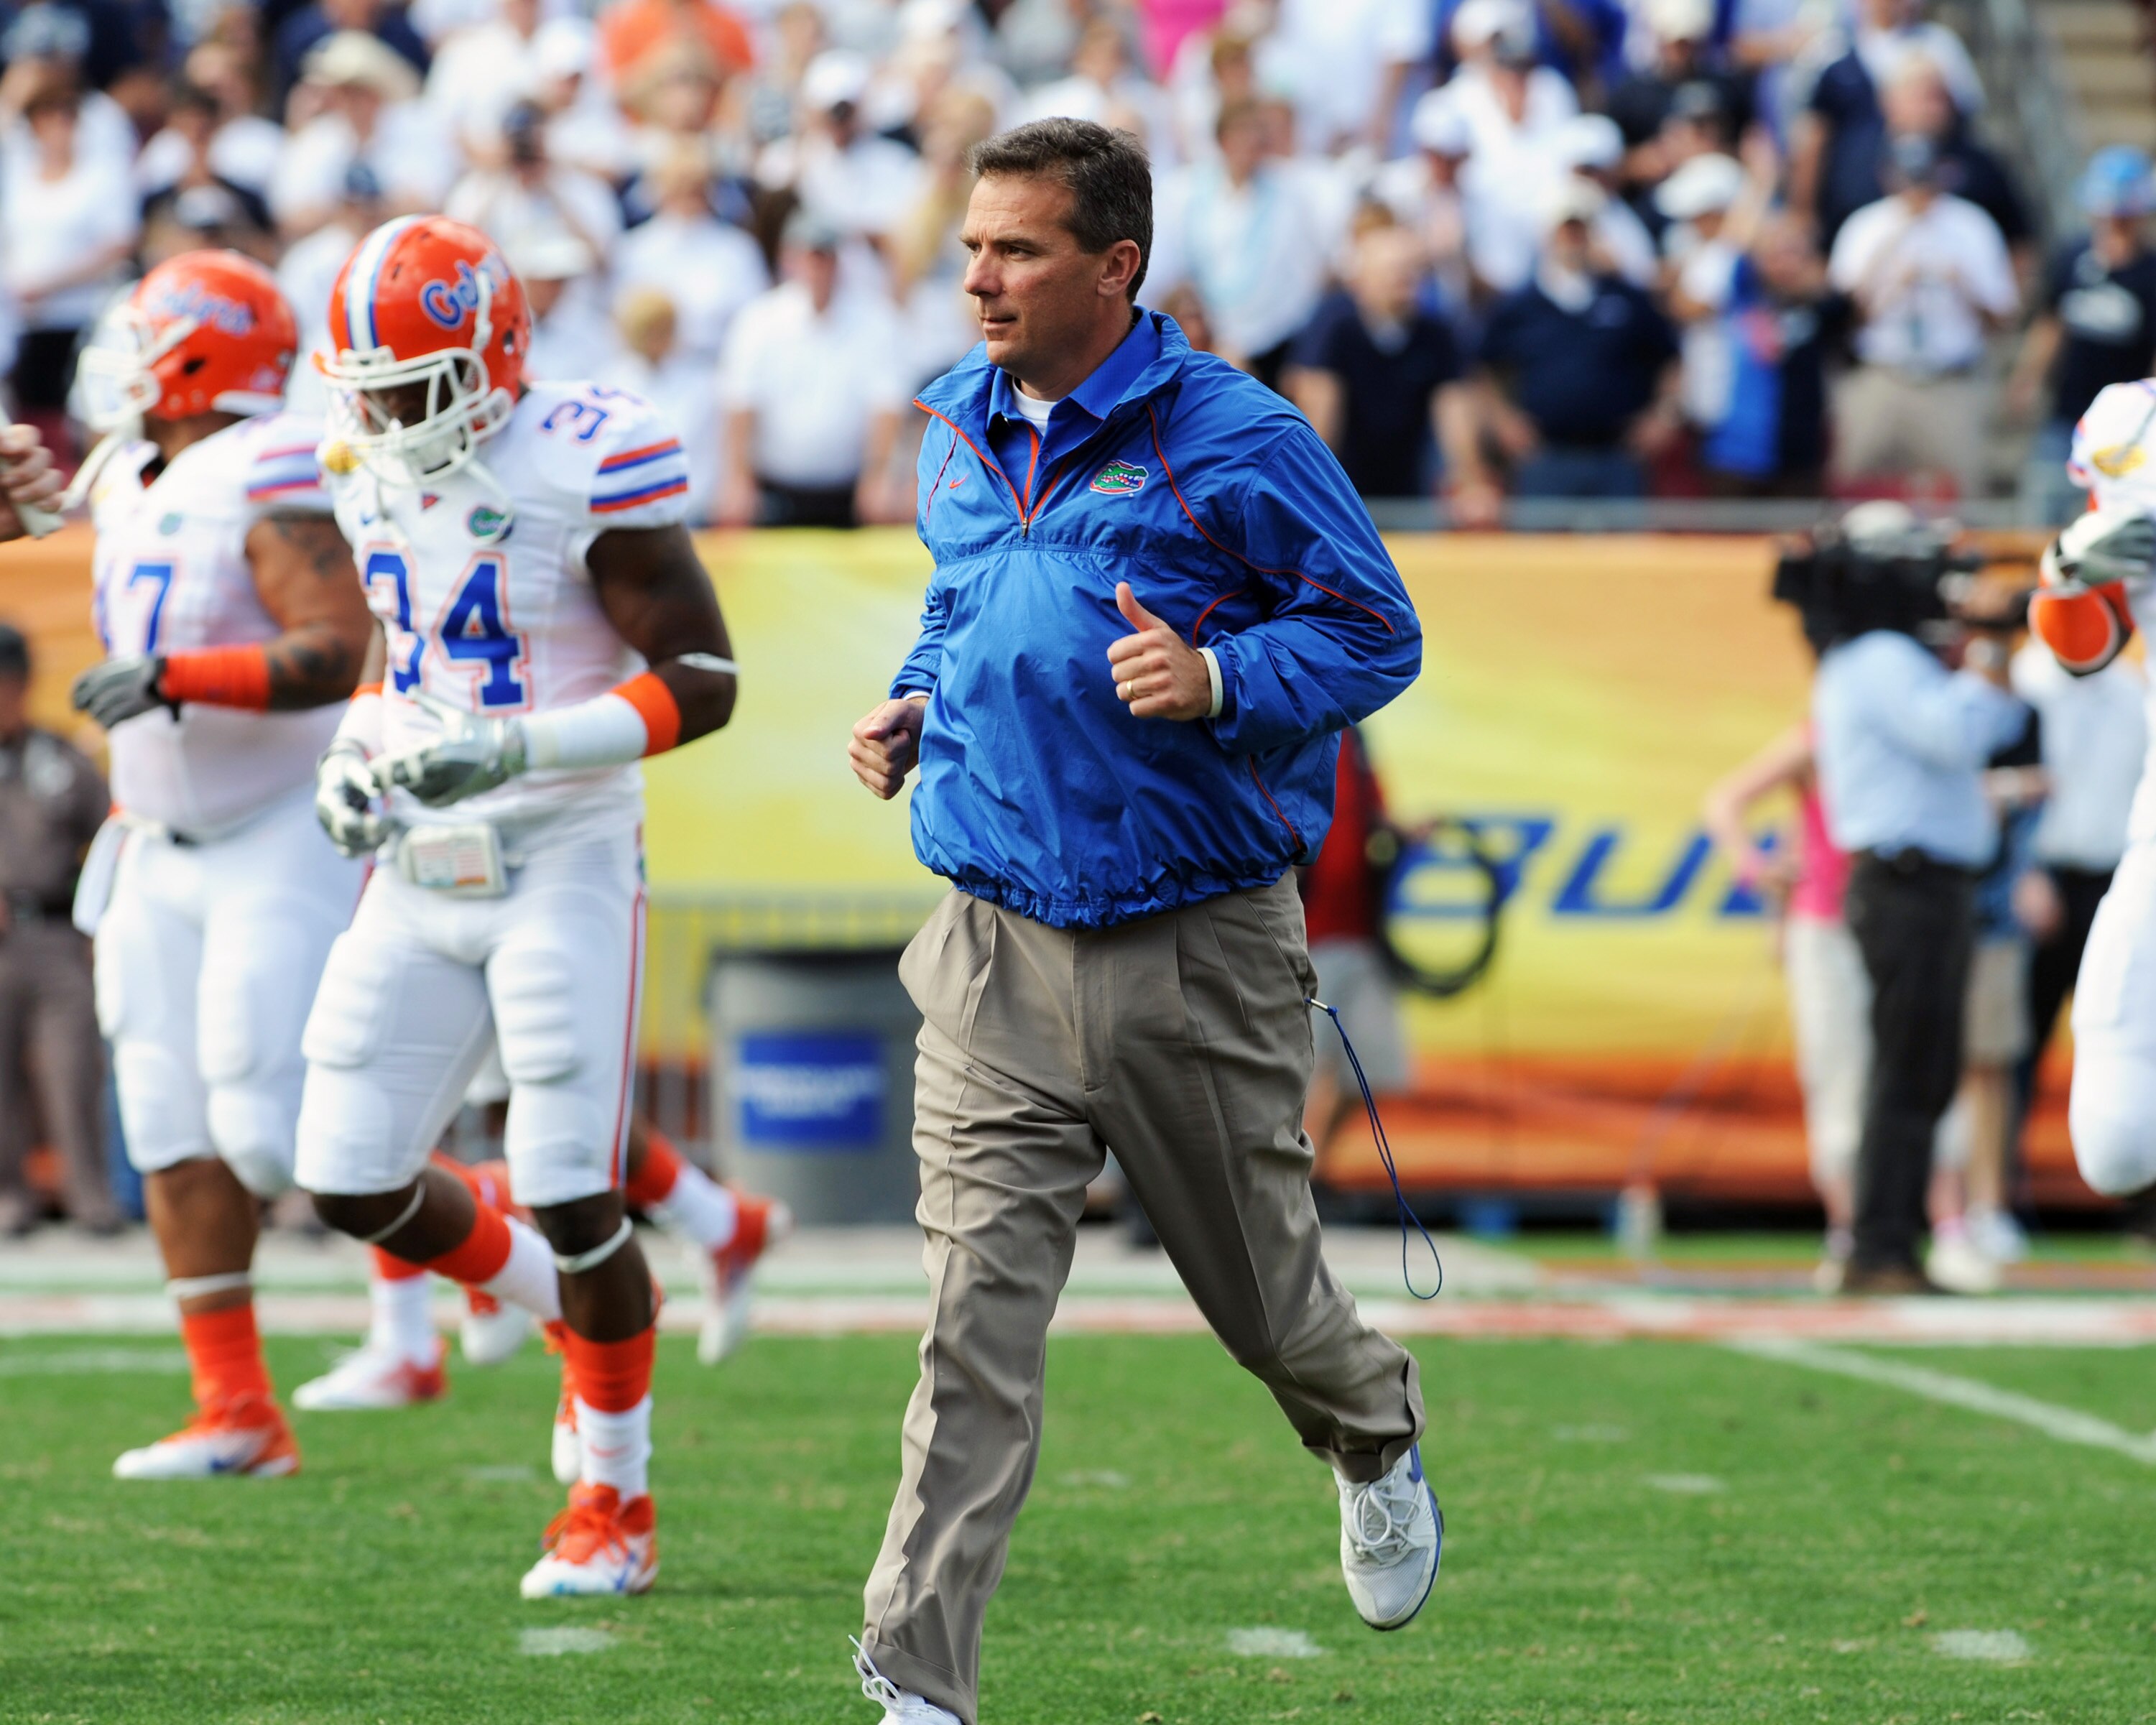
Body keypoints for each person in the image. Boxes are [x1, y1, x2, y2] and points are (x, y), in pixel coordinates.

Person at [845, 119, 1434, 1725]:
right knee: (971, 1326)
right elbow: (965, 600)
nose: (979, 279)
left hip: (1192, 938)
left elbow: (1380, 633)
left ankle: (1371, 1427)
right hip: (987, 934)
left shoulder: (1237, 434)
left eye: (1017, 250)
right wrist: (916, 699)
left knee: (1267, 1305)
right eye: (973, 246)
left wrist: (1229, 676)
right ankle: (918, 1684)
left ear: (1115, 267)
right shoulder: (954, 426)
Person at [292, 215, 739, 1598]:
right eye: (365, 387)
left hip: (562, 851)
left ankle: (616, 1497)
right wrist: (355, 756)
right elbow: (401, 647)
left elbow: (707, 677)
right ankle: (585, 1318)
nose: (384, 417)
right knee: (350, 1170)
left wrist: (521, 749)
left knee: (566, 1183)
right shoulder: (366, 465)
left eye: (412, 389)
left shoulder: (586, 454)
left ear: (491, 359)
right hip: (424, 854)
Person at [63, 252, 499, 1480]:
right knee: (164, 1121)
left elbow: (333, 644)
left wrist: (177, 678)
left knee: (273, 1134)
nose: (122, 361)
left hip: (272, 826)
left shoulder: (266, 465)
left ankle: (507, 1244)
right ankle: (236, 1411)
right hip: (153, 839)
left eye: (148, 337)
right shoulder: (130, 474)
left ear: (197, 352)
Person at [1808, 509, 2027, 1292]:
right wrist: (1995, 641)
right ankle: (1878, 1247)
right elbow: (1961, 734)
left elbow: (1997, 722)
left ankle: (1892, 1243)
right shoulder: (1881, 657)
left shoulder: (1890, 659)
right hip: (1905, 883)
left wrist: (1992, 650)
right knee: (1906, 1069)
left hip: (1926, 883)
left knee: (1925, 1069)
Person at [1701, 721, 1866, 1287]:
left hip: (1891, 928)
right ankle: (1849, 1231)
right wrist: (1756, 868)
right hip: (1827, 927)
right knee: (1836, 1079)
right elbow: (1725, 801)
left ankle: (1936, 1225)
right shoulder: (1818, 738)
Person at [0, 623, 119, 1237]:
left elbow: (106, 840)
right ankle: (9, 1201)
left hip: (52, 927)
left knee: (72, 1069)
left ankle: (89, 1199)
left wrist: (98, 928)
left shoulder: (59, 758)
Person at [1826, 132, 2018, 498]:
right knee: (1853, 485)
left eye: (1924, 178)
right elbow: (1838, 317)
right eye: (1909, 178)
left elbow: (2002, 319)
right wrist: (1888, 283)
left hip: (1949, 378)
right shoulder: (1867, 226)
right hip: (1881, 374)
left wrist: (1963, 286)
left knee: (1966, 493)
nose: (1917, 190)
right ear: (1890, 176)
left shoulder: (1971, 226)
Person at [1468, 178, 1683, 500]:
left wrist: (1663, 416)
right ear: (1547, 234)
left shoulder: (1628, 299)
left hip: (1617, 453)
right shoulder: (1519, 305)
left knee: (1624, 549)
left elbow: (1670, 358)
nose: (1573, 239)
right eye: (1565, 229)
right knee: (1540, 549)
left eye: (1580, 228)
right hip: (1546, 455)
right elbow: (1483, 366)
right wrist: (1504, 422)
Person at [716, 211, 907, 528]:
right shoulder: (759, 320)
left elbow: (886, 404)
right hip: (775, 489)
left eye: (825, 256)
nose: (818, 267)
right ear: (788, 259)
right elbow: (740, 403)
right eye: (808, 256)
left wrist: (879, 475)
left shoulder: (876, 320)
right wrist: (738, 478)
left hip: (849, 493)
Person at [2008, 148, 2156, 526]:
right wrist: (2028, 378)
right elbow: (2051, 323)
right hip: (2067, 412)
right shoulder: (2074, 256)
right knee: (2044, 511)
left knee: (2118, 520)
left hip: (2128, 420)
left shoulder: (2150, 272)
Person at [1284, 221, 1470, 504]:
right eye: (1393, 272)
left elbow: (1454, 409)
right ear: (1361, 282)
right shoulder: (1335, 328)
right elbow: (1321, 404)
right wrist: (1314, 486)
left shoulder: (1436, 334)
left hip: (1408, 482)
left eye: (1412, 271)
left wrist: (1469, 477)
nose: (1405, 281)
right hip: (1343, 484)